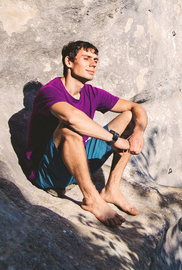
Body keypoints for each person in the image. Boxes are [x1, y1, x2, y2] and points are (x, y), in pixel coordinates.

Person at [25, 41, 148, 226]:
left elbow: (135, 107)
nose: (93, 64)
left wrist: (138, 131)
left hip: (77, 164)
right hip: (48, 173)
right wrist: (114, 140)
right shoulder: (50, 92)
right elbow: (72, 118)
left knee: (130, 117)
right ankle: (91, 198)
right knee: (68, 128)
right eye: (87, 58)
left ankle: (111, 190)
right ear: (68, 62)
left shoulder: (91, 93)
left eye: (96, 60)